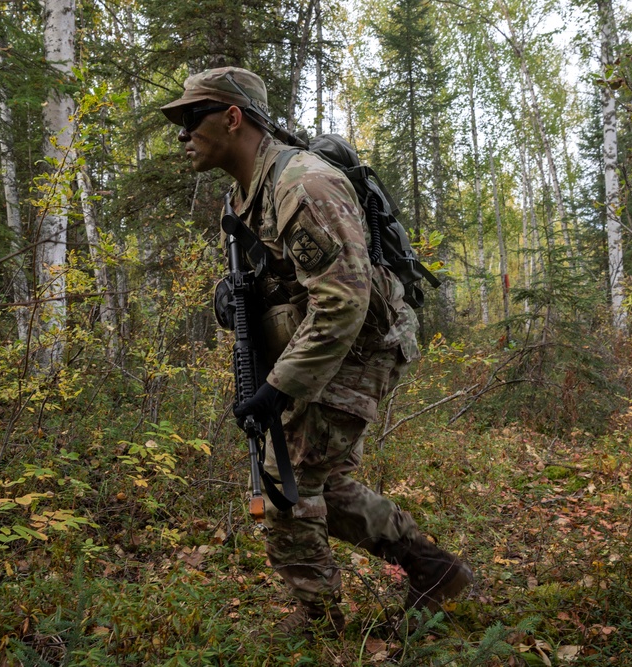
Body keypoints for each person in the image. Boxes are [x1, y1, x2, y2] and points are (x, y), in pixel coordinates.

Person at [161, 66, 472, 641]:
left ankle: (318, 625)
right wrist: (227, 300)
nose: (182, 134)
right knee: (323, 481)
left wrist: (279, 389)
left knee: (284, 485)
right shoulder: (242, 196)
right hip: (323, 343)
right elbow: (269, 280)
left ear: (232, 118)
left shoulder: (303, 185)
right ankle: (436, 571)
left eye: (190, 117)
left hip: (361, 344)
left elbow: (343, 303)